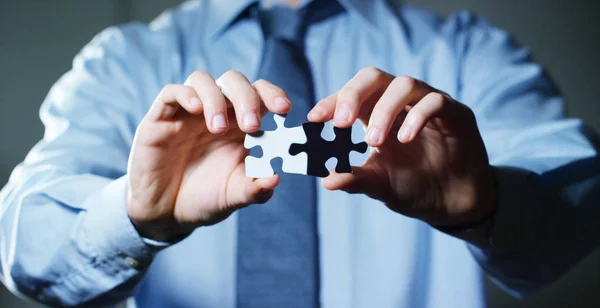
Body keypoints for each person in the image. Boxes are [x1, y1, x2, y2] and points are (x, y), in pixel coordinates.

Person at [1, 0, 599, 307]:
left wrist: (485, 203)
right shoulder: (125, 60)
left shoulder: (469, 51)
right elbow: (24, 246)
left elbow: (580, 198)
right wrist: (135, 215)